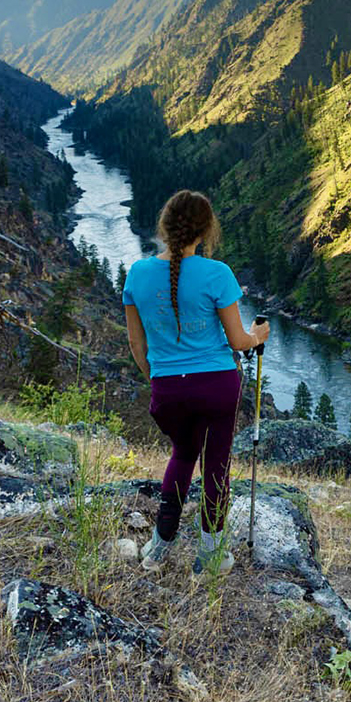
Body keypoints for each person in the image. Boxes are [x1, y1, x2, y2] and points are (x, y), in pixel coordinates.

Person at [122, 189, 269, 576]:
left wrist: (158, 377)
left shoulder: (137, 274)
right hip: (217, 386)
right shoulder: (217, 274)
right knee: (216, 465)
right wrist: (259, 335)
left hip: (168, 389)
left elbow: (137, 343)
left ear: (165, 226)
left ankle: (159, 547)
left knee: (182, 455)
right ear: (204, 232)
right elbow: (238, 341)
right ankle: (210, 557)